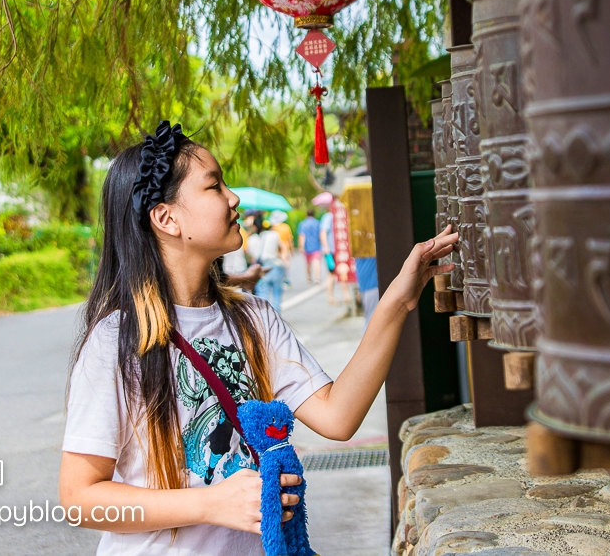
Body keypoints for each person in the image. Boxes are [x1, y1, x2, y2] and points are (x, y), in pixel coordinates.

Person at [58, 120, 457, 556]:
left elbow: (338, 417)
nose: (234, 198)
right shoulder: (116, 342)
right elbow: (80, 499)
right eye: (214, 187)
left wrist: (397, 301)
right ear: (165, 218)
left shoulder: (254, 317)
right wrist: (209, 504)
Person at [247, 217, 290, 311]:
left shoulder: (251, 239)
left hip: (261, 268)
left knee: (263, 295)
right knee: (277, 294)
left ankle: (265, 320)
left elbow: (252, 256)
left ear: (254, 227)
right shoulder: (273, 234)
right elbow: (282, 247)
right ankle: (277, 319)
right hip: (276, 266)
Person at [296, 210, 323, 284]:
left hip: (307, 247)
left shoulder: (303, 224)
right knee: (317, 262)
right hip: (316, 246)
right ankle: (317, 278)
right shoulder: (317, 223)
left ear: (306, 214)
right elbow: (321, 234)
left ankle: (309, 278)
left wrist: (301, 246)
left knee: (308, 263)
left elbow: (302, 236)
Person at [319, 208, 336, 304]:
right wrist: (326, 247)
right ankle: (330, 297)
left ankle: (346, 296)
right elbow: (323, 233)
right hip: (330, 251)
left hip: (337, 251)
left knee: (341, 273)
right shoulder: (328, 217)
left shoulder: (339, 215)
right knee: (331, 274)